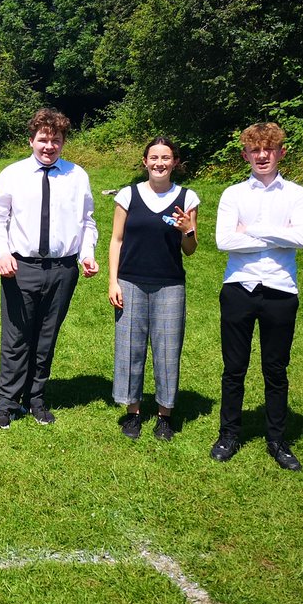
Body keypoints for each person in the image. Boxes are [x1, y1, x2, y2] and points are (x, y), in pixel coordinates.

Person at [0, 108, 98, 428]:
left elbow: (87, 222)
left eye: (56, 140)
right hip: (21, 267)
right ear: (31, 140)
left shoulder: (77, 176)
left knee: (46, 338)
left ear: (63, 142)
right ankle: (6, 403)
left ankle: (35, 399)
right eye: (43, 139)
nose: (49, 146)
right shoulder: (13, 174)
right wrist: (2, 253)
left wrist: (86, 254)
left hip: (63, 270)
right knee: (16, 337)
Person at [212, 122, 303, 471]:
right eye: (255, 150)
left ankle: (277, 439)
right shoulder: (233, 194)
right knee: (234, 368)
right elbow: (224, 241)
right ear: (245, 155)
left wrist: (251, 230)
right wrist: (279, 235)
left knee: (275, 369)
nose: (262, 155)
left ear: (281, 152)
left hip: (281, 290)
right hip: (239, 287)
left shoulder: (297, 194)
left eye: (269, 149)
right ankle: (229, 434)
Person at [107, 137, 199, 441]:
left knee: (167, 350)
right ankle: (132, 413)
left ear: (174, 162)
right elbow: (116, 240)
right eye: (154, 157)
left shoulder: (187, 198)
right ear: (145, 161)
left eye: (166, 158)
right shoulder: (128, 195)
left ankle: (164, 416)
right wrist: (113, 281)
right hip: (130, 281)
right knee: (130, 348)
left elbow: (190, 249)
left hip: (170, 284)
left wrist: (187, 231)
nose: (160, 163)